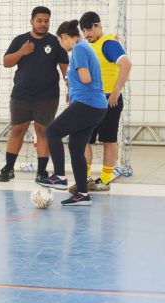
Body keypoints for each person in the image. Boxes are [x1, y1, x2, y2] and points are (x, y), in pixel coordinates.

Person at [36, 20, 107, 206]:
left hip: (88, 104)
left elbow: (86, 78)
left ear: (64, 37)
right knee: (76, 146)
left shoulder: (79, 49)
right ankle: (83, 194)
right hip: (95, 106)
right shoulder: (84, 47)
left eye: (60, 41)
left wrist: (73, 79)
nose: (61, 46)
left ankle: (59, 176)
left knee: (52, 131)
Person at [0, 6, 69, 183]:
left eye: (46, 21)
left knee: (43, 131)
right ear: (32, 21)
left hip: (47, 97)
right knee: (17, 130)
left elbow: (65, 70)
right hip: (21, 95)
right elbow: (6, 62)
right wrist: (22, 51)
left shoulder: (55, 42)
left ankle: (42, 171)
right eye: (39, 20)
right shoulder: (21, 40)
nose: (43, 24)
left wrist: (72, 90)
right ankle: (8, 168)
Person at [67, 11, 133, 194]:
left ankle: (104, 180)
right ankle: (86, 178)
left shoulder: (109, 43)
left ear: (98, 26)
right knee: (83, 139)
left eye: (89, 29)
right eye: (84, 31)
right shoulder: (86, 46)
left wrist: (116, 92)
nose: (87, 34)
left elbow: (126, 64)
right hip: (89, 101)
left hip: (108, 100)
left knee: (108, 139)